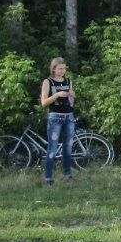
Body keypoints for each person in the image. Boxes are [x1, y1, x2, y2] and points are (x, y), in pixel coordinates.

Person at [39, 57, 75, 185]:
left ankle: (67, 175)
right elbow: (44, 102)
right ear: (53, 69)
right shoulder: (48, 82)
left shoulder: (68, 81)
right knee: (52, 148)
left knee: (68, 148)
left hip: (69, 117)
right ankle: (48, 178)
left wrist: (71, 95)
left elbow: (72, 96)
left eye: (64, 68)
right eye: (60, 69)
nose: (62, 71)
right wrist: (57, 95)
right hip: (55, 118)